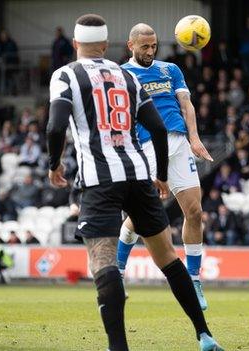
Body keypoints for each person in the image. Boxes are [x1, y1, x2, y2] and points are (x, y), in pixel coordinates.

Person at [46, 14, 222, 351]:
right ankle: (204, 335)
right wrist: (158, 173)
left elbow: (55, 127)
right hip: (139, 172)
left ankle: (119, 347)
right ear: (110, 44)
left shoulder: (66, 74)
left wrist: (54, 165)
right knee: (169, 258)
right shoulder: (124, 75)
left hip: (100, 178)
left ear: (75, 44)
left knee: (102, 261)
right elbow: (156, 126)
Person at [117, 23, 214, 310]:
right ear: (130, 45)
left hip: (179, 143)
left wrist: (194, 138)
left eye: (154, 46)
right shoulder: (122, 74)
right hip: (145, 147)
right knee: (140, 215)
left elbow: (186, 105)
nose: (150, 51)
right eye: (145, 47)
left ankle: (194, 279)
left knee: (195, 212)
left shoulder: (170, 70)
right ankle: (117, 271)